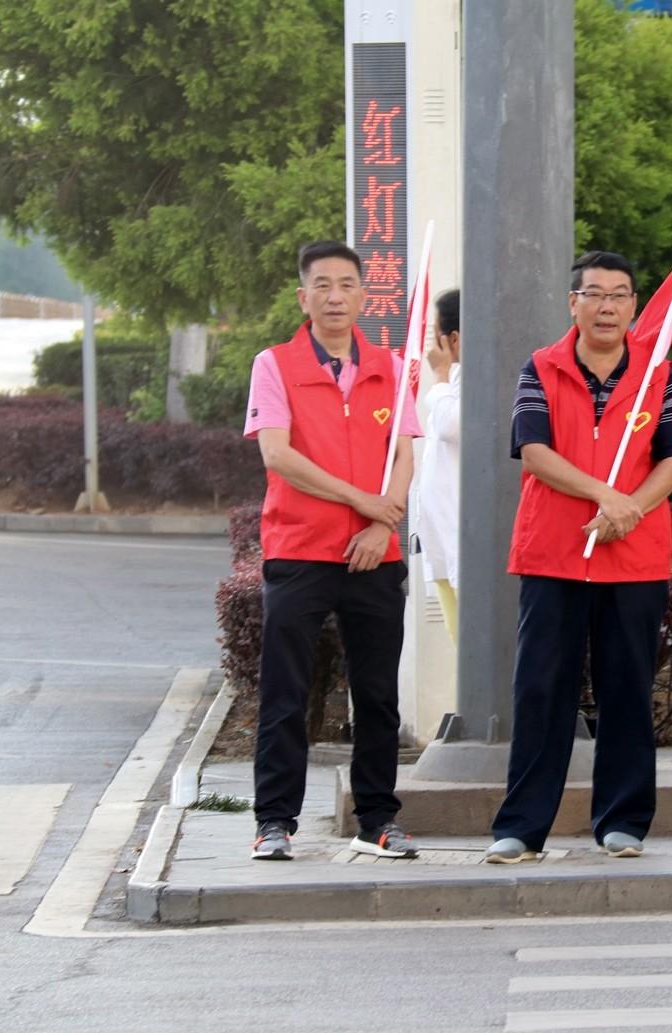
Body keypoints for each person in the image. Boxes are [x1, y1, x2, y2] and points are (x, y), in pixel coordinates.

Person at [485, 251, 672, 864]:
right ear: (572, 302)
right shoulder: (541, 368)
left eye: (621, 295)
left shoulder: (661, 372)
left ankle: (623, 820)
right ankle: (522, 828)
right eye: (595, 294)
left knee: (626, 688)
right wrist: (606, 494)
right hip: (554, 551)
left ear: (633, 306)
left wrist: (629, 510)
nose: (608, 306)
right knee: (540, 690)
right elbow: (534, 451)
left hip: (634, 557)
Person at [243, 240, 423, 862]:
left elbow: (404, 455)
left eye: (346, 284)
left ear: (364, 295)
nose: (335, 296)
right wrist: (363, 501)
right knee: (286, 691)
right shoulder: (275, 364)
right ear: (304, 296)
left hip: (377, 554)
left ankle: (377, 819)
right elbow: (279, 456)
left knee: (377, 695)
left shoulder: (392, 368)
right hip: (299, 550)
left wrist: (382, 524)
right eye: (322, 285)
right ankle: (274, 822)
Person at [414, 288, 462, 640]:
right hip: (443, 540)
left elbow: (453, 426)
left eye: (435, 334)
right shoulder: (452, 381)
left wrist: (441, 376)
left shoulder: (473, 381)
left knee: (472, 647)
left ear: (453, 339)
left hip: (463, 541)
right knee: (460, 642)